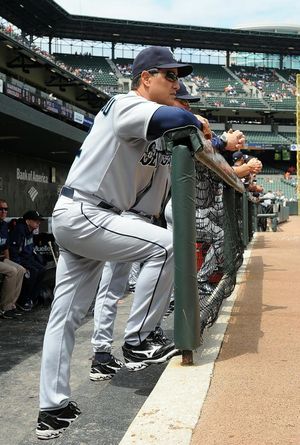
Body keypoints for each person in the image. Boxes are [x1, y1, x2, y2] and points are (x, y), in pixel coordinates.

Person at [36, 46, 213, 440]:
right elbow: (175, 116)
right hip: (88, 212)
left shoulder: (142, 114)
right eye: (169, 77)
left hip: (86, 214)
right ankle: (136, 341)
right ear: (146, 78)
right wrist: (195, 118)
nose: (176, 84)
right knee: (168, 246)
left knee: (64, 317)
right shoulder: (126, 103)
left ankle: (52, 407)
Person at [89, 80, 246, 382]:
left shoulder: (172, 130)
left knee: (143, 277)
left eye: (189, 103)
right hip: (122, 213)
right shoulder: (148, 121)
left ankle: (140, 337)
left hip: (147, 218)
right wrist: (217, 137)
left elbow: (200, 145)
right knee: (112, 287)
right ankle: (102, 352)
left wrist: (222, 142)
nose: (187, 106)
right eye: (183, 102)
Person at [9, 210, 46, 311]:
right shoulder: (19, 230)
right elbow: (14, 251)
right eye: (36, 220)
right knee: (32, 272)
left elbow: (29, 249)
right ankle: (23, 300)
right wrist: (20, 265)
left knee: (42, 269)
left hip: (27, 258)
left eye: (39, 221)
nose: (38, 223)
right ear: (28, 221)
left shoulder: (30, 230)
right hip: (19, 259)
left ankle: (32, 298)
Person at [0, 199, 26, 319]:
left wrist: (9, 261)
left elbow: (5, 246)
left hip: (2, 259)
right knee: (12, 271)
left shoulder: (4, 225)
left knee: (20, 269)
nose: (3, 211)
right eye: (1, 209)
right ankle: (4, 308)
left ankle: (11, 305)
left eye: (5, 209)